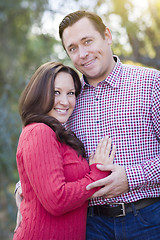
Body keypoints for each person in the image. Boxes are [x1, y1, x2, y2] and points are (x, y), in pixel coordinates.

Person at [15, 10, 160, 239]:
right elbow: (45, 156)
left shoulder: (151, 83)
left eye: (88, 41)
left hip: (148, 218)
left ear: (107, 36)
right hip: (89, 225)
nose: (82, 54)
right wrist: (22, 187)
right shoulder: (66, 100)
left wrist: (131, 178)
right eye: (73, 48)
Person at [13, 61, 116, 240]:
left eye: (71, 93)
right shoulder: (39, 131)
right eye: (56, 92)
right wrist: (96, 175)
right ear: (39, 93)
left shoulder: (57, 133)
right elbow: (56, 200)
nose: (65, 102)